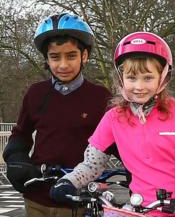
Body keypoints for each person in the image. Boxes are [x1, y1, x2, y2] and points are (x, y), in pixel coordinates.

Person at [49, 32, 175, 214]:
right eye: (132, 78)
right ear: (121, 78)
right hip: (140, 209)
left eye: (148, 78)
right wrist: (69, 181)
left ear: (162, 77)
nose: (139, 86)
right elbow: (92, 164)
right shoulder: (113, 118)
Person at [1, 13, 119, 216]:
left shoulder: (100, 97)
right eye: (55, 57)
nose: (63, 65)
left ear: (84, 56)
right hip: (37, 195)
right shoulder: (36, 93)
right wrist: (16, 158)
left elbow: (117, 141)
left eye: (71, 55)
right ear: (47, 59)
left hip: (78, 198)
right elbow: (21, 134)